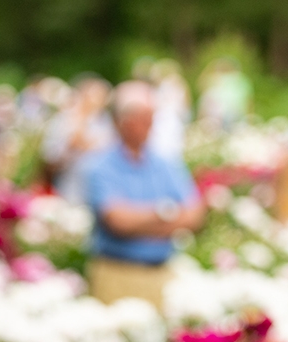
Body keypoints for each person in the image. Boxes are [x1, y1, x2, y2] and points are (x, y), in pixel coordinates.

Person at [84, 81, 206, 310]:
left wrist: (142, 222)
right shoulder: (100, 166)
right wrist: (166, 214)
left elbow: (195, 215)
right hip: (116, 274)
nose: (150, 125)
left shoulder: (166, 163)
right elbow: (117, 222)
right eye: (143, 118)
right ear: (122, 122)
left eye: (151, 118)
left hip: (160, 273)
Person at [42, 75, 114, 203]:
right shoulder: (62, 120)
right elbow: (50, 157)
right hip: (69, 184)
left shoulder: (106, 123)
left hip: (101, 188)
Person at [198, 59, 252, 130]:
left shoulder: (240, 80)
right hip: (220, 114)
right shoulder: (217, 79)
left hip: (232, 113)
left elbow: (201, 84)